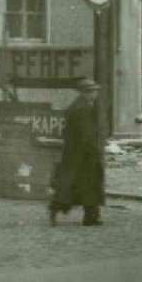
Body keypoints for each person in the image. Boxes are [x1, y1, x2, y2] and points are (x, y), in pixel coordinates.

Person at [48, 78, 105, 226]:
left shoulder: (79, 105)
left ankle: (88, 216)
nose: (96, 94)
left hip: (76, 153)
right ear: (86, 93)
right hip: (84, 154)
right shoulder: (83, 109)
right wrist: (95, 149)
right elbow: (86, 134)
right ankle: (87, 216)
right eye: (93, 91)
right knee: (88, 185)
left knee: (78, 185)